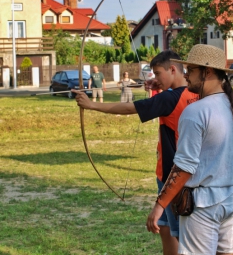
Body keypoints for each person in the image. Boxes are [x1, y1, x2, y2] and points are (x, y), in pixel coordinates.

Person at [72, 50, 199, 255]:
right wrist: (160, 86)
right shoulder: (195, 91)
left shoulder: (169, 98)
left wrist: (91, 105)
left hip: (172, 175)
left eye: (158, 74)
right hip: (177, 172)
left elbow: (130, 108)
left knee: (179, 234)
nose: (154, 78)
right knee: (166, 228)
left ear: (173, 69)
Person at [146, 44, 233, 255]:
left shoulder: (195, 111)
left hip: (204, 204)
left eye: (191, 70)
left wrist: (160, 205)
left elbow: (184, 166)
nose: (186, 75)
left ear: (208, 71)